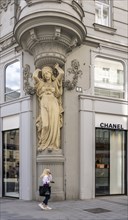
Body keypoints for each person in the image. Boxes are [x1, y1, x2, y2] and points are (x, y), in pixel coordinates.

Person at [33, 63, 64, 152]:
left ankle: (53, 145)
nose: (46, 75)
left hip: (53, 103)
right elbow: (35, 76)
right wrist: (37, 71)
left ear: (51, 74)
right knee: (45, 124)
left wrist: (57, 68)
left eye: (48, 73)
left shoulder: (55, 83)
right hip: (44, 103)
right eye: (44, 74)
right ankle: (43, 143)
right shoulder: (41, 83)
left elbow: (61, 73)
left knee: (54, 125)